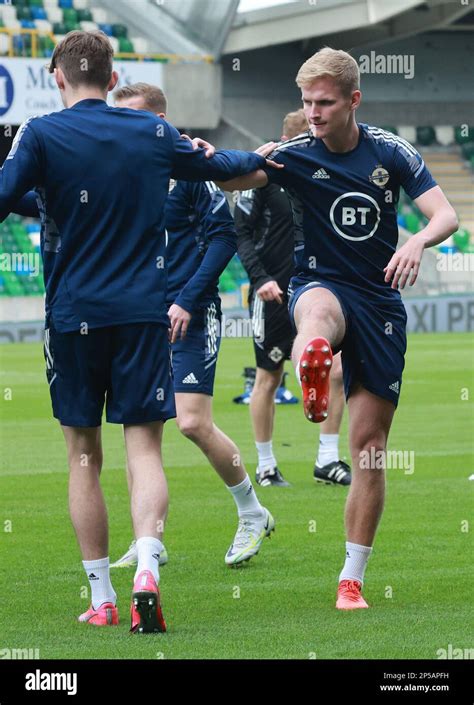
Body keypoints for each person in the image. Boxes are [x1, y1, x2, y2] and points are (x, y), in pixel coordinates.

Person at [0, 31, 273, 632]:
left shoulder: (41, 134)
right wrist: (269, 154)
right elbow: (223, 167)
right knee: (143, 446)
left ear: (58, 77)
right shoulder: (152, 132)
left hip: (73, 318)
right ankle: (147, 564)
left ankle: (102, 597)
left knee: (82, 457)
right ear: (111, 71)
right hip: (144, 315)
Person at [216, 47, 458, 609]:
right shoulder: (294, 153)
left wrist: (418, 240)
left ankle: (351, 580)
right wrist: (210, 157)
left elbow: (445, 214)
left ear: (354, 100)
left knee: (369, 448)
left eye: (324, 102)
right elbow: (238, 177)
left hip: (380, 302)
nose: (314, 113)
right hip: (319, 282)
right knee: (317, 315)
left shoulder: (390, 152)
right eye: (306, 102)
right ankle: (315, 364)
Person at [110, 83, 274, 571]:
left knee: (192, 422)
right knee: (139, 432)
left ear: (160, 121)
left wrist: (185, 300)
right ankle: (146, 539)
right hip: (139, 317)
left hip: (191, 313)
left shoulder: (189, 171)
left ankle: (252, 510)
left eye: (133, 118)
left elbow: (224, 238)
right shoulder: (123, 172)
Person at [234, 108, 351, 488]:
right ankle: (266, 465)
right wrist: (261, 278)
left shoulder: (324, 176)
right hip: (273, 293)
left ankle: (327, 459)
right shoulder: (264, 178)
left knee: (335, 371)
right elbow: (240, 233)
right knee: (269, 376)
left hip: (319, 291)